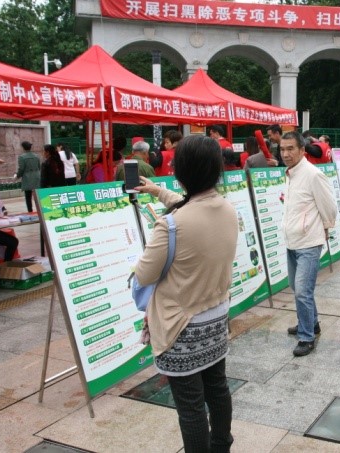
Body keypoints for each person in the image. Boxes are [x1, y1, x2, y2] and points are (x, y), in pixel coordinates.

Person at [134, 135, 237, 452]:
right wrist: (157, 191)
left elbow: (144, 274)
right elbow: (193, 204)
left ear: (181, 171)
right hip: (216, 320)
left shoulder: (170, 225)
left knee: (191, 407)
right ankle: (221, 444)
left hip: (181, 328)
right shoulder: (227, 209)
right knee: (217, 389)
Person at [280, 131, 337, 356]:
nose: (286, 154)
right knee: (297, 287)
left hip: (309, 242)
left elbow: (329, 207)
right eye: (282, 149)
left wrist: (325, 228)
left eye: (290, 149)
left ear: (302, 150)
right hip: (292, 240)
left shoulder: (313, 174)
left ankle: (306, 337)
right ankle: (311, 323)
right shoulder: (290, 173)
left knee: (302, 291)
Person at [16, 141, 41, 212]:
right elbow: (39, 167)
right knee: (37, 196)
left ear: (23, 148)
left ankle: (30, 211)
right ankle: (40, 210)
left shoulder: (21, 157)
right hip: (37, 176)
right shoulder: (36, 156)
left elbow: (21, 169)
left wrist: (18, 175)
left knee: (28, 196)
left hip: (27, 178)